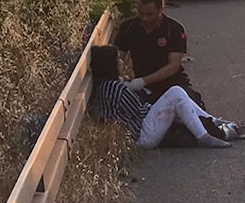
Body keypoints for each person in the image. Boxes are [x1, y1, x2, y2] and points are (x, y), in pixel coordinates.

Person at [88, 45, 233, 149]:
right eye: (117, 60)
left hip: (136, 133)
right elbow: (138, 111)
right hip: (141, 135)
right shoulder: (116, 88)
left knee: (177, 96)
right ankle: (204, 136)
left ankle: (214, 122)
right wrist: (163, 110)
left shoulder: (103, 86)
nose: (120, 63)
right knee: (176, 93)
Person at [115, 0, 205, 107]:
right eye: (141, 13)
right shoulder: (128, 27)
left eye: (149, 14)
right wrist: (120, 76)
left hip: (173, 83)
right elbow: (118, 55)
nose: (144, 18)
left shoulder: (174, 29)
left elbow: (173, 66)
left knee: (189, 105)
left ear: (161, 10)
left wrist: (143, 81)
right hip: (145, 88)